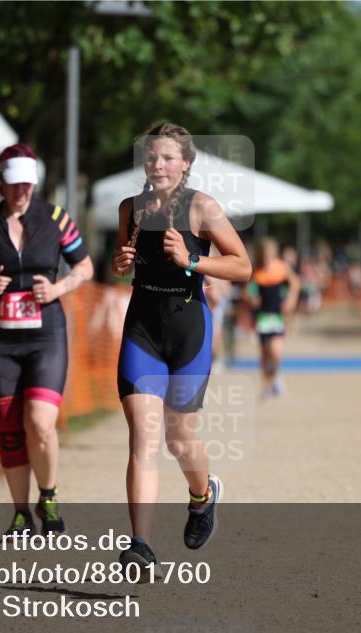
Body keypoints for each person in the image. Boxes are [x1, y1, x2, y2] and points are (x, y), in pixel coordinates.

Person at [112, 123, 251, 570]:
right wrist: (120, 262)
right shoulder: (130, 209)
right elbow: (123, 263)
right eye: (152, 158)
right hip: (142, 327)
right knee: (143, 437)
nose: (158, 165)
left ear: (185, 164)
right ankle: (141, 547)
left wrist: (192, 259)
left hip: (188, 326)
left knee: (179, 437)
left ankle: (202, 494)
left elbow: (243, 266)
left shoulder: (202, 209)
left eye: (168, 158)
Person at [0, 143, 94, 536]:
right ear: (1, 184)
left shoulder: (55, 218)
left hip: (46, 336)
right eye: (15, 184)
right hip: (0, 342)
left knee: (39, 421)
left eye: (28, 184)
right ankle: (20, 512)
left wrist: (59, 289)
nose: (23, 192)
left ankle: (48, 496)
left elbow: (84, 266)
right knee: (9, 427)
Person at [246, 238, 301, 399]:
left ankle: (275, 377)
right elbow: (248, 290)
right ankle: (266, 386)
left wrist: (291, 299)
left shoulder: (281, 268)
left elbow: (295, 283)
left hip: (277, 316)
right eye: (264, 255)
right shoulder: (257, 272)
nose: (266, 258)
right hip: (262, 317)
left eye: (269, 254)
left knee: (275, 352)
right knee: (264, 354)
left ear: (274, 254)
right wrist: (251, 297)